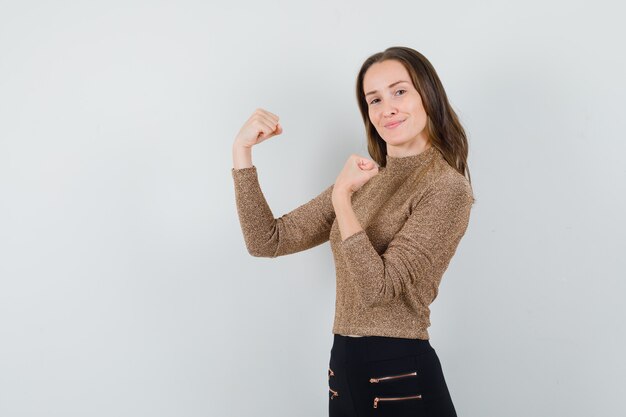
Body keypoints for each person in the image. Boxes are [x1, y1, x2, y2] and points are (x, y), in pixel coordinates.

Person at [231, 46, 475, 417]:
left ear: (428, 95)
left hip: (400, 373)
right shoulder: (365, 179)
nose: (386, 107)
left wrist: (343, 199)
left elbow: (379, 290)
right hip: (344, 366)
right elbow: (267, 240)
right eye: (373, 99)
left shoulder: (445, 188)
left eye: (399, 91)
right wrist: (241, 152)